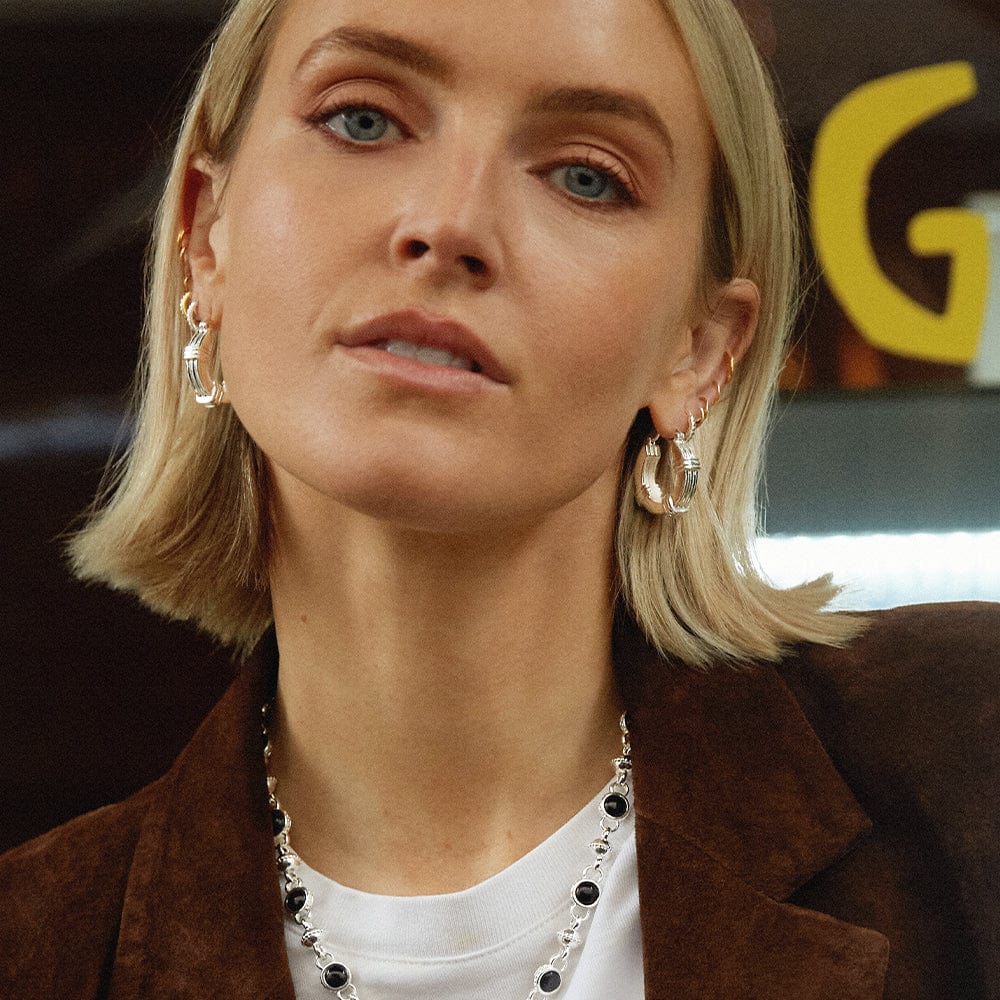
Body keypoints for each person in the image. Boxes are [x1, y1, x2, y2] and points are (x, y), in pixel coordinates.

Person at [1, 1, 996, 998]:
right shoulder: (36, 947)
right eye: (362, 120)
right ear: (204, 237)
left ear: (699, 350)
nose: (449, 224)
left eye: (584, 176)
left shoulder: (963, 765)